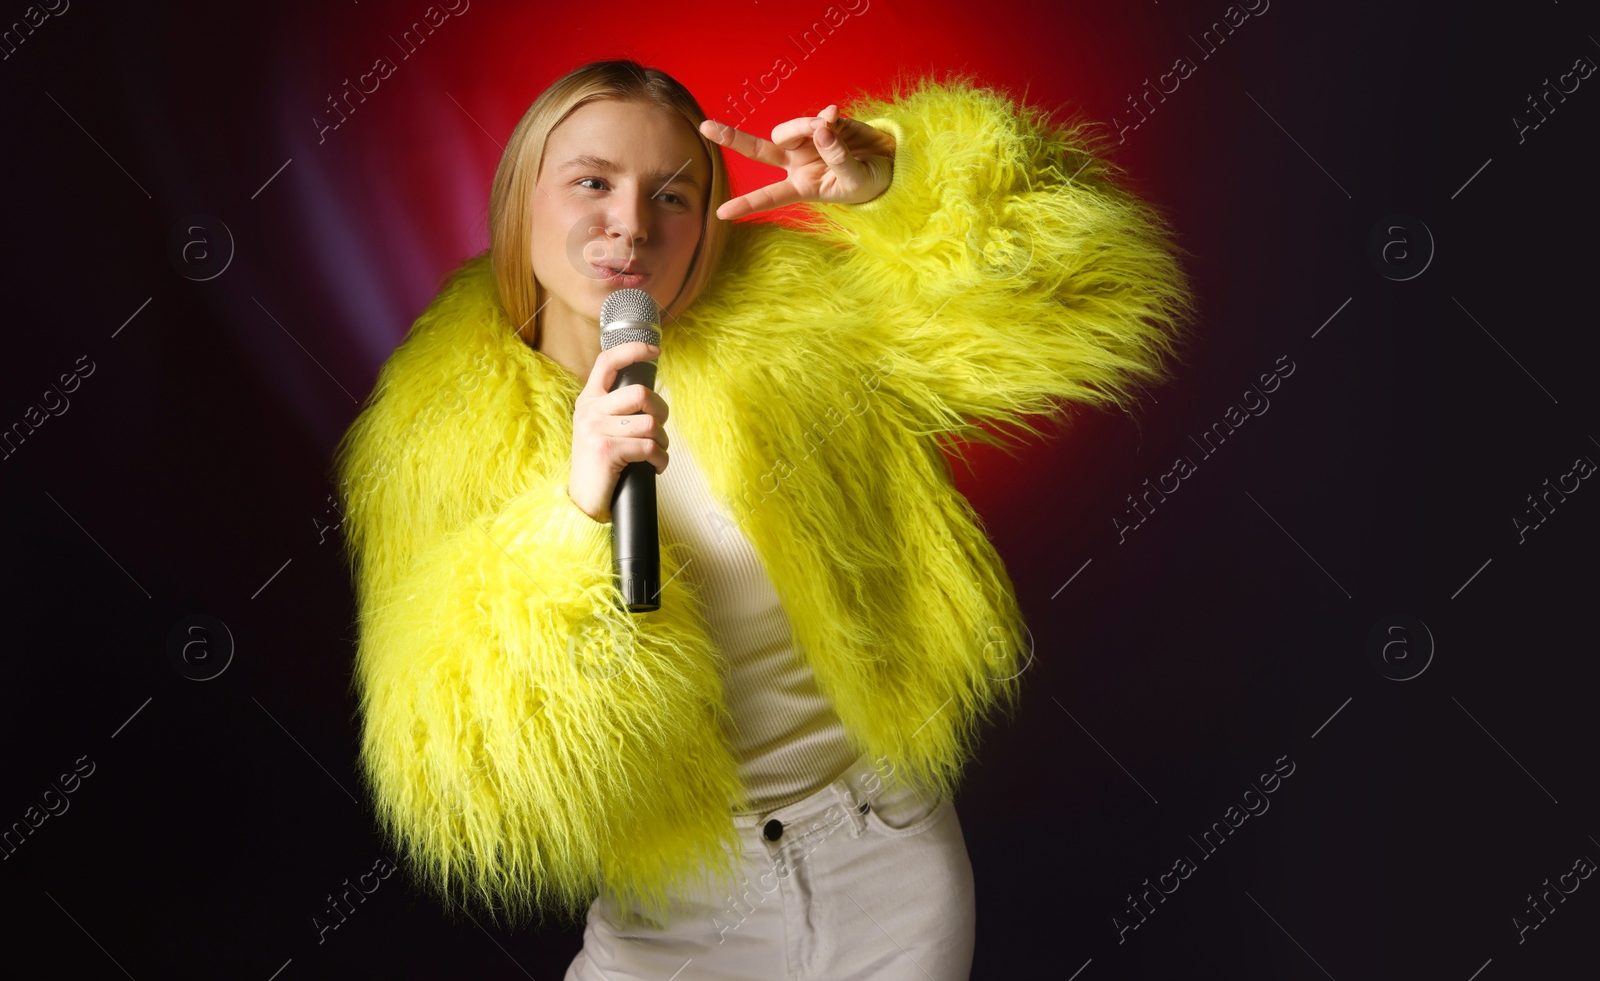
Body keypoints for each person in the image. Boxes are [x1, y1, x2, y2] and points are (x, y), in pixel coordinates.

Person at [332, 59, 1197, 979]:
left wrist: (906, 185)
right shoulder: (432, 430)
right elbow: (454, 762)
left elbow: (1078, 299)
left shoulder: (794, 315)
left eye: (672, 196)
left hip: (885, 865)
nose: (629, 223)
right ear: (520, 200)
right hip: (671, 910)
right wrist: (571, 513)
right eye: (592, 182)